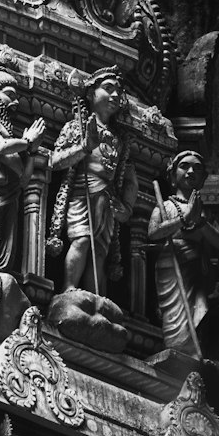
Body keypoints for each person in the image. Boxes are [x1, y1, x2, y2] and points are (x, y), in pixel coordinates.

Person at [47, 66, 138, 294]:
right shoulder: (77, 127)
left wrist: (126, 206)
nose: (115, 96)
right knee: (81, 241)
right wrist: (84, 147)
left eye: (119, 91)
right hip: (82, 192)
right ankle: (69, 288)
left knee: (100, 251)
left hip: (107, 200)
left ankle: (96, 297)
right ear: (91, 93)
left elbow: (129, 179)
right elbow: (55, 161)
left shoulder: (120, 139)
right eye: (108, 89)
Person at [147, 150, 219, 354]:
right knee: (174, 318)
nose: (190, 171)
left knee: (200, 312)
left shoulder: (205, 212)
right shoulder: (166, 206)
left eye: (197, 168)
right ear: (173, 176)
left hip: (197, 270)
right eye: (184, 166)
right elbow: (154, 233)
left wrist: (199, 221)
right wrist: (184, 218)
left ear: (202, 179)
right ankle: (175, 349)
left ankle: (194, 350)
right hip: (171, 265)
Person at [0, 69, 46, 270]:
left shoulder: (11, 134)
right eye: (10, 95)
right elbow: (0, 146)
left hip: (10, 191)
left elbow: (24, 179)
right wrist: (27, 141)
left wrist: (31, 151)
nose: (16, 102)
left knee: (5, 250)